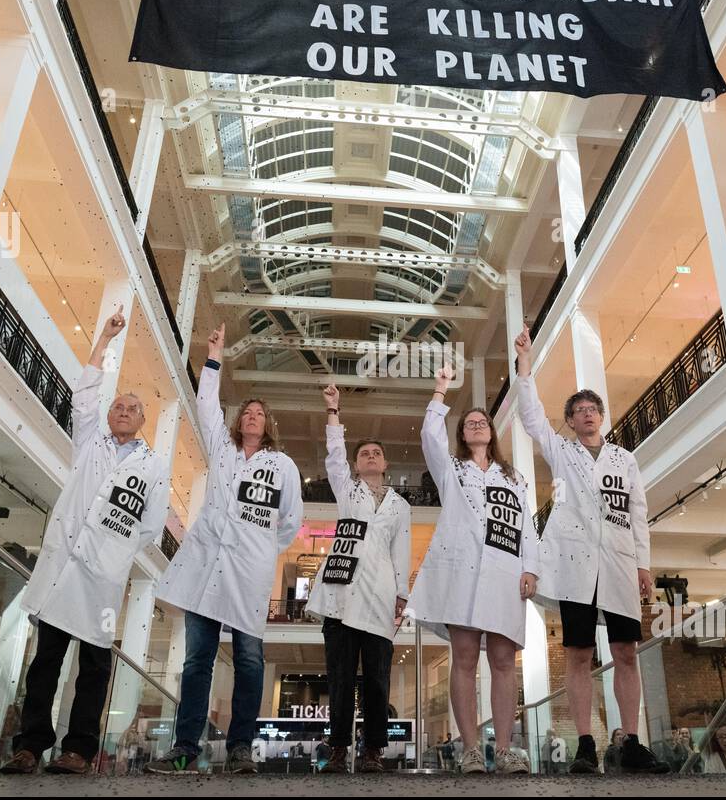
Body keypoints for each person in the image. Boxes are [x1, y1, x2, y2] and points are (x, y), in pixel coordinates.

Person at [0, 307, 171, 776]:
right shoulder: (89, 440)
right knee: (45, 662)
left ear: (142, 421)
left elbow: (150, 527)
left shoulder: (153, 467)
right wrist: (104, 339)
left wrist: (114, 555)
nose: (122, 411)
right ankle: (29, 746)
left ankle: (78, 750)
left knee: (94, 667)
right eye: (119, 405)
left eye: (132, 408)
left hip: (104, 578)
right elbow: (85, 393)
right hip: (63, 565)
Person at [148, 323, 303, 775]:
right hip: (204, 566)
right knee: (197, 657)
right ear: (239, 421)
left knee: (250, 660)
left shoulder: (283, 465)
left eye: (259, 413)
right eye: (247, 412)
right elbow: (205, 405)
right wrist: (214, 355)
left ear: (268, 424)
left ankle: (240, 749)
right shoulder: (221, 447)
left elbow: (289, 521)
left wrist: (254, 547)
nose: (252, 416)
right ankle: (184, 747)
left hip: (249, 574)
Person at [514, 325, 665, 774]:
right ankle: (584, 743)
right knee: (579, 653)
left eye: (592, 409)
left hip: (619, 564)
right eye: (578, 411)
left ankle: (633, 742)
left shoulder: (625, 459)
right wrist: (525, 363)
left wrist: (643, 564)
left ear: (603, 416)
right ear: (572, 421)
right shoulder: (562, 452)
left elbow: (637, 511)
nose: (586, 415)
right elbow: (531, 416)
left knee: (625, 652)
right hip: (575, 564)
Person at [405, 363, 539, 774]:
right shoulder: (452, 470)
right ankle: (469, 749)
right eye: (470, 423)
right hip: (461, 572)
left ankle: (504, 748)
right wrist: (441, 390)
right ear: (462, 435)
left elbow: (527, 526)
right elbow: (430, 436)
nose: (477, 426)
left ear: (492, 433)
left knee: (502, 659)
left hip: (504, 572)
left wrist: (530, 568)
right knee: (463, 657)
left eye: (483, 422)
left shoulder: (513, 477)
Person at [308, 384, 411, 775]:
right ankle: (337, 749)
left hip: (382, 595)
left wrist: (401, 594)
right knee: (339, 676)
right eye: (364, 454)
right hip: (341, 592)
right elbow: (334, 456)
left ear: (385, 464)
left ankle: (372, 751)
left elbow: (401, 551)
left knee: (377, 680)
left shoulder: (400, 506)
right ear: (356, 466)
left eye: (376, 453)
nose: (370, 456)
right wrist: (333, 411)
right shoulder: (347, 489)